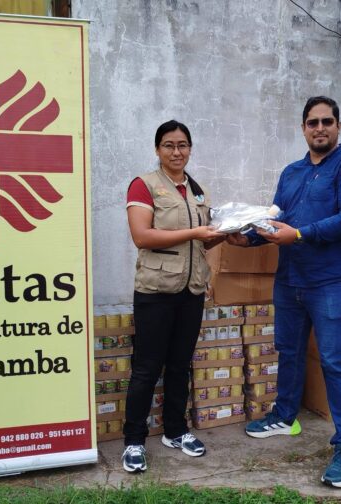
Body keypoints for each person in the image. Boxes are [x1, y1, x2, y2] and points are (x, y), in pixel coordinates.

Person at [228, 96, 341, 488]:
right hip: (290, 279)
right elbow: (278, 221)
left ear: (338, 126)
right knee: (289, 351)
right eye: (313, 122)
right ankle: (285, 416)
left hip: (332, 281)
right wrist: (248, 239)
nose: (320, 128)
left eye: (327, 121)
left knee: (335, 362)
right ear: (303, 128)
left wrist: (299, 235)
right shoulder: (291, 173)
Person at [122, 119, 225, 473]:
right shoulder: (144, 185)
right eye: (169, 145)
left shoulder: (198, 191)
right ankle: (134, 440)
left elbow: (204, 241)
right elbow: (142, 235)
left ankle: (175, 431)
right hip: (156, 291)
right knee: (147, 368)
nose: (176, 151)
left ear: (190, 149)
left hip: (191, 290)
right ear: (157, 149)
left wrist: (227, 233)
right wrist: (195, 232)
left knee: (181, 365)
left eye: (182, 145)